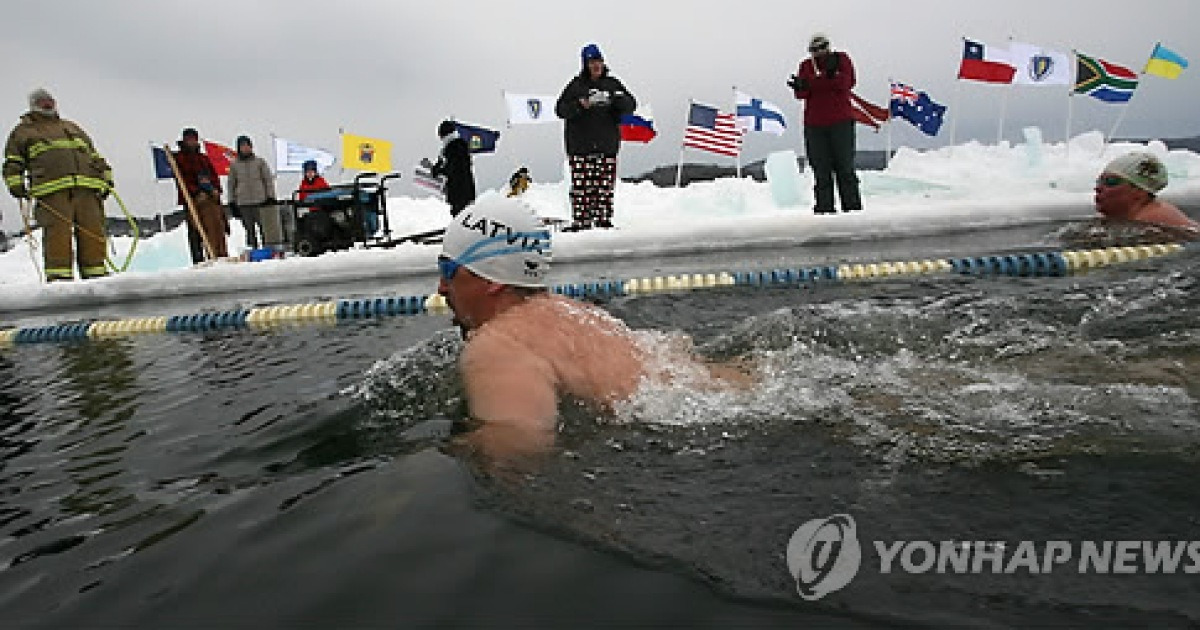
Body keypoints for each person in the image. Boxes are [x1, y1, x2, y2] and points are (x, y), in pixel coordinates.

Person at [437, 195, 749, 464]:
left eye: (448, 270)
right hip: (728, 392)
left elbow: (519, 449)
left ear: (493, 279)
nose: (441, 288)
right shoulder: (574, 312)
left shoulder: (499, 345)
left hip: (698, 432)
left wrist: (435, 455)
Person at [3, 88, 113, 281]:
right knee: (58, 236)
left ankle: (97, 277)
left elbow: (94, 155)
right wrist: (16, 184)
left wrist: (106, 178)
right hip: (52, 192)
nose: (47, 103)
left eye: (49, 100)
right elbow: (13, 161)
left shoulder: (72, 127)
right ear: (33, 105)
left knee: (93, 233)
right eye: (42, 101)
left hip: (87, 190)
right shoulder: (24, 131)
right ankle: (59, 280)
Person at [555, 43, 636, 231]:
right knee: (582, 188)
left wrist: (617, 98)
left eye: (598, 61)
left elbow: (631, 104)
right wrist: (579, 104)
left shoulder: (612, 84)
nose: (596, 65)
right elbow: (560, 110)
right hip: (580, 147)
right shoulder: (576, 86)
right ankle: (581, 222)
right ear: (585, 64)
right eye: (592, 62)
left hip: (607, 145)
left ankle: (603, 221)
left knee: (604, 188)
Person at [789, 33, 863, 214]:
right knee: (821, 171)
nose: (819, 53)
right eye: (814, 50)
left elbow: (847, 83)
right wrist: (807, 85)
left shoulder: (841, 59)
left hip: (841, 123)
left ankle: (852, 210)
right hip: (814, 125)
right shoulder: (805, 66)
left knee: (845, 168)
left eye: (822, 48)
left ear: (828, 46)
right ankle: (824, 211)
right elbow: (801, 94)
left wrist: (814, 83)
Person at [1094, 152, 1199, 233]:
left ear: (1139, 191)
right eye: (1099, 181)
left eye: (1111, 181)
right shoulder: (1124, 217)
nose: (1098, 188)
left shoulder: (1153, 218)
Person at [171, 128, 228, 263]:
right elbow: (182, 180)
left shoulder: (203, 158)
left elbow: (213, 176)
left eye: (193, 139)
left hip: (210, 200)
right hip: (192, 200)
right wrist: (196, 192)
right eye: (188, 139)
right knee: (195, 230)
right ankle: (198, 259)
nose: (191, 142)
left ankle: (218, 254)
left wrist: (215, 190)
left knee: (216, 227)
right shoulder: (179, 159)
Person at [227, 135, 280, 251]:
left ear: (251, 147)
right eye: (242, 146)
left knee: (265, 228)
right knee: (249, 230)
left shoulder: (260, 162)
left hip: (260, 201)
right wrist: (231, 201)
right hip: (244, 203)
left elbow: (268, 180)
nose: (245, 148)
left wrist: (271, 197)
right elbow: (231, 184)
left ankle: (268, 249)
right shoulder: (234, 165)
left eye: (247, 146)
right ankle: (253, 250)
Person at [421, 120, 476, 217]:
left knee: (461, 217)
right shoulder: (456, 147)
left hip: (459, 193)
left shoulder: (453, 148)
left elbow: (453, 169)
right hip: (464, 192)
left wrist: (437, 170)